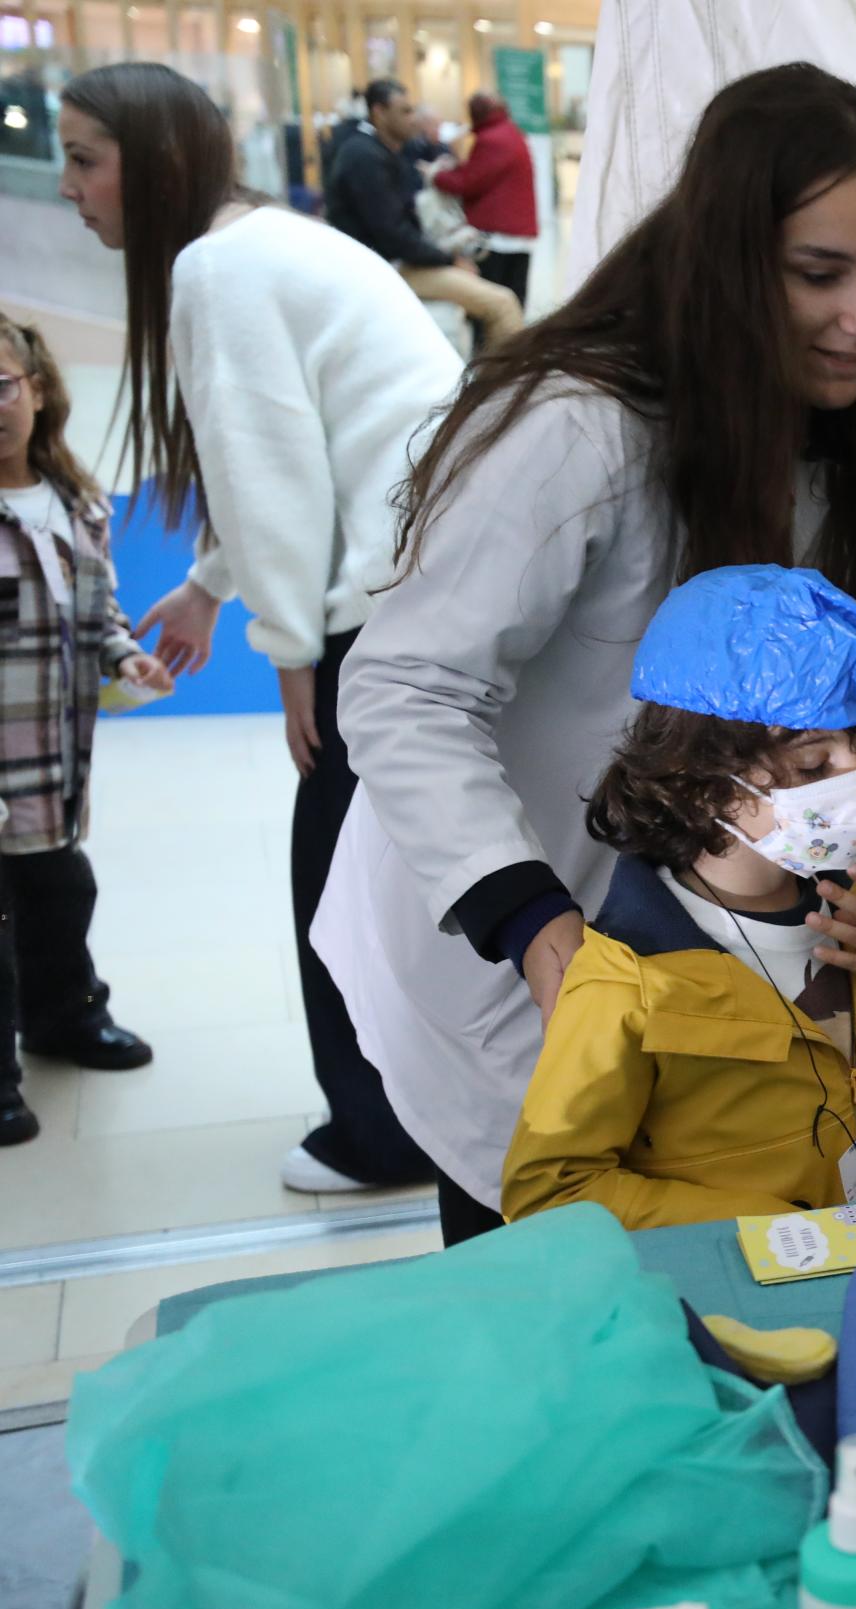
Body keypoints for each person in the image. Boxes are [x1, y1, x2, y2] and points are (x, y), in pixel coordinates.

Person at [315, 62, 856, 1245]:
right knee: (562, 1275)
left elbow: (820, 673)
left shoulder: (811, 425)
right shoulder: (578, 431)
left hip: (666, 946)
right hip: (506, 935)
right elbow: (403, 689)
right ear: (727, 262)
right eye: (821, 274)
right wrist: (536, 929)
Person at [57, 62, 451, 1192]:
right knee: (387, 863)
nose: (72, 189)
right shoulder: (263, 243)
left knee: (337, 873)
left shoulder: (218, 269)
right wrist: (208, 584)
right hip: (423, 580)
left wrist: (292, 658)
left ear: (156, 158)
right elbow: (296, 451)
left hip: (383, 606)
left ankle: (381, 1133)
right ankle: (416, 1108)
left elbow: (280, 480)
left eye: (86, 160)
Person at [501, 567, 856, 1232]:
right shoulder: (628, 980)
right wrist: (762, 1223)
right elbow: (550, 1190)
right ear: (696, 774)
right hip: (726, 1298)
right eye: (814, 765)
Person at [0, 315, 172, 1147]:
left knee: (61, 893)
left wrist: (128, 657)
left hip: (51, 765)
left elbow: (98, 612)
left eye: (3, 384)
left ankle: (63, 1018)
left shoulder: (76, 504)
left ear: (36, 390)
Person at [323, 78, 522, 350]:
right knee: (503, 304)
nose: (413, 119)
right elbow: (393, 235)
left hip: (393, 260)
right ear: (379, 112)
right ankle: (505, 390)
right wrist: (448, 260)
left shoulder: (374, 151)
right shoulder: (365, 158)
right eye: (404, 111)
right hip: (388, 268)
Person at [432, 93, 537, 308]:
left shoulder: (491, 139)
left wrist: (435, 175)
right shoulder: (510, 132)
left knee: (492, 306)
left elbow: (469, 182)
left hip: (498, 237)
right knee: (514, 302)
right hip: (517, 233)